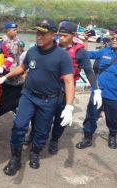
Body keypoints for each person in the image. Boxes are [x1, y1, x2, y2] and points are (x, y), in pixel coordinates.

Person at [1, 18, 75, 176]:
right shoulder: (33, 51)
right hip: (28, 96)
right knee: (19, 125)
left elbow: (69, 81)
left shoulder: (62, 56)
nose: (38, 36)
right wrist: (5, 77)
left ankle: (35, 152)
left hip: (49, 100)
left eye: (43, 33)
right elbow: (22, 67)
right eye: (37, 33)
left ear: (53, 35)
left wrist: (69, 106)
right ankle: (15, 158)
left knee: (41, 132)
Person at [24, 21, 102, 154]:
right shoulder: (51, 47)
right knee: (38, 115)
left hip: (65, 89)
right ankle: (33, 135)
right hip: (48, 87)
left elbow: (88, 71)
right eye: (60, 35)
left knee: (61, 117)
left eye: (65, 36)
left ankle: (54, 139)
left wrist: (96, 89)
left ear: (73, 36)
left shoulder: (80, 52)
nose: (61, 38)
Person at [76, 28, 117, 150]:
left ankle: (113, 135)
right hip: (98, 91)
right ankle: (87, 138)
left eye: (116, 38)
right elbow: (86, 55)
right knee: (91, 115)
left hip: (114, 95)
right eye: (114, 38)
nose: (114, 40)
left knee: (113, 117)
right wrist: (85, 40)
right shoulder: (105, 51)